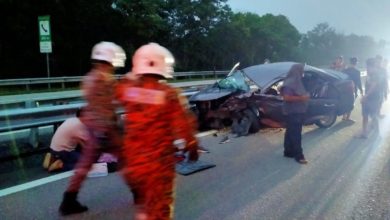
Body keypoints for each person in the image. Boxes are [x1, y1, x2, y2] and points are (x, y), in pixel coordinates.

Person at [116, 42, 199, 220]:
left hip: (134, 161)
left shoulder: (128, 90)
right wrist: (192, 146)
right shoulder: (169, 94)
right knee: (161, 209)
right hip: (158, 162)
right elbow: (183, 125)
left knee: (145, 206)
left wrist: (135, 73)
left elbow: (121, 87)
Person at [59, 41, 126, 216]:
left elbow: (94, 104)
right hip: (106, 130)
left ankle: (69, 200)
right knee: (126, 160)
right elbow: (112, 104)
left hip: (93, 128)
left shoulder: (89, 78)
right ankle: (138, 192)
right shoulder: (106, 79)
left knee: (84, 165)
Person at [280, 63, 309, 164]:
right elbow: (286, 97)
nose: (303, 73)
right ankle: (299, 155)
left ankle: (288, 151)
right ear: (298, 71)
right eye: (302, 71)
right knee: (296, 134)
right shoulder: (291, 82)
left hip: (294, 111)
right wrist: (303, 98)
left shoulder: (295, 81)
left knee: (290, 132)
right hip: (294, 112)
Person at [356, 58, 382, 138]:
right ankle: (364, 133)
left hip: (374, 99)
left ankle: (377, 132)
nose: (367, 68)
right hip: (368, 98)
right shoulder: (370, 73)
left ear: (373, 66)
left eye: (368, 66)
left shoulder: (376, 74)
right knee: (365, 115)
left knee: (373, 116)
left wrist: (365, 96)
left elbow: (373, 86)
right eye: (367, 66)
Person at [341, 57, 362, 121]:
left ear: (350, 62)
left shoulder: (345, 70)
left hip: (345, 89)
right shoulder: (357, 72)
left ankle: (344, 116)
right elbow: (358, 82)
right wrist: (361, 90)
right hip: (353, 89)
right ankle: (348, 117)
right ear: (356, 63)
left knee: (345, 102)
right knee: (351, 103)